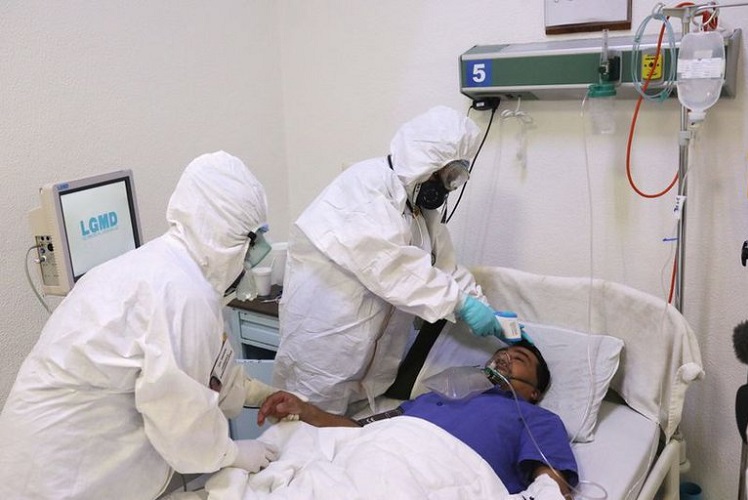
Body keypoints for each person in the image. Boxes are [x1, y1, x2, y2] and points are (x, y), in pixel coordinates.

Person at [0, 151, 282, 499]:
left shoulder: (173, 272)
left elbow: (205, 368)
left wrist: (258, 393)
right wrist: (234, 454)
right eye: (253, 241)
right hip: (58, 477)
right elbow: (182, 423)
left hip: (50, 458)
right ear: (226, 238)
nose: (255, 256)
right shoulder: (180, 294)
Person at [273, 105, 508, 415]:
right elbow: (392, 268)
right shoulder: (365, 188)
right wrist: (460, 303)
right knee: (304, 427)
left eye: (456, 178)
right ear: (424, 160)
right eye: (447, 174)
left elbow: (444, 266)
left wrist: (487, 310)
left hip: (370, 369)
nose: (447, 186)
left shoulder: (419, 209)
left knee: (350, 435)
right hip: (325, 352)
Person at [260, 340, 578, 497]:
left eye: (518, 359)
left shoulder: (539, 418)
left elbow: (552, 484)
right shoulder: (441, 394)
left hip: (445, 469)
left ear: (534, 391)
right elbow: (361, 430)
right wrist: (306, 411)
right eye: (500, 355)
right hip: (383, 448)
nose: (504, 358)